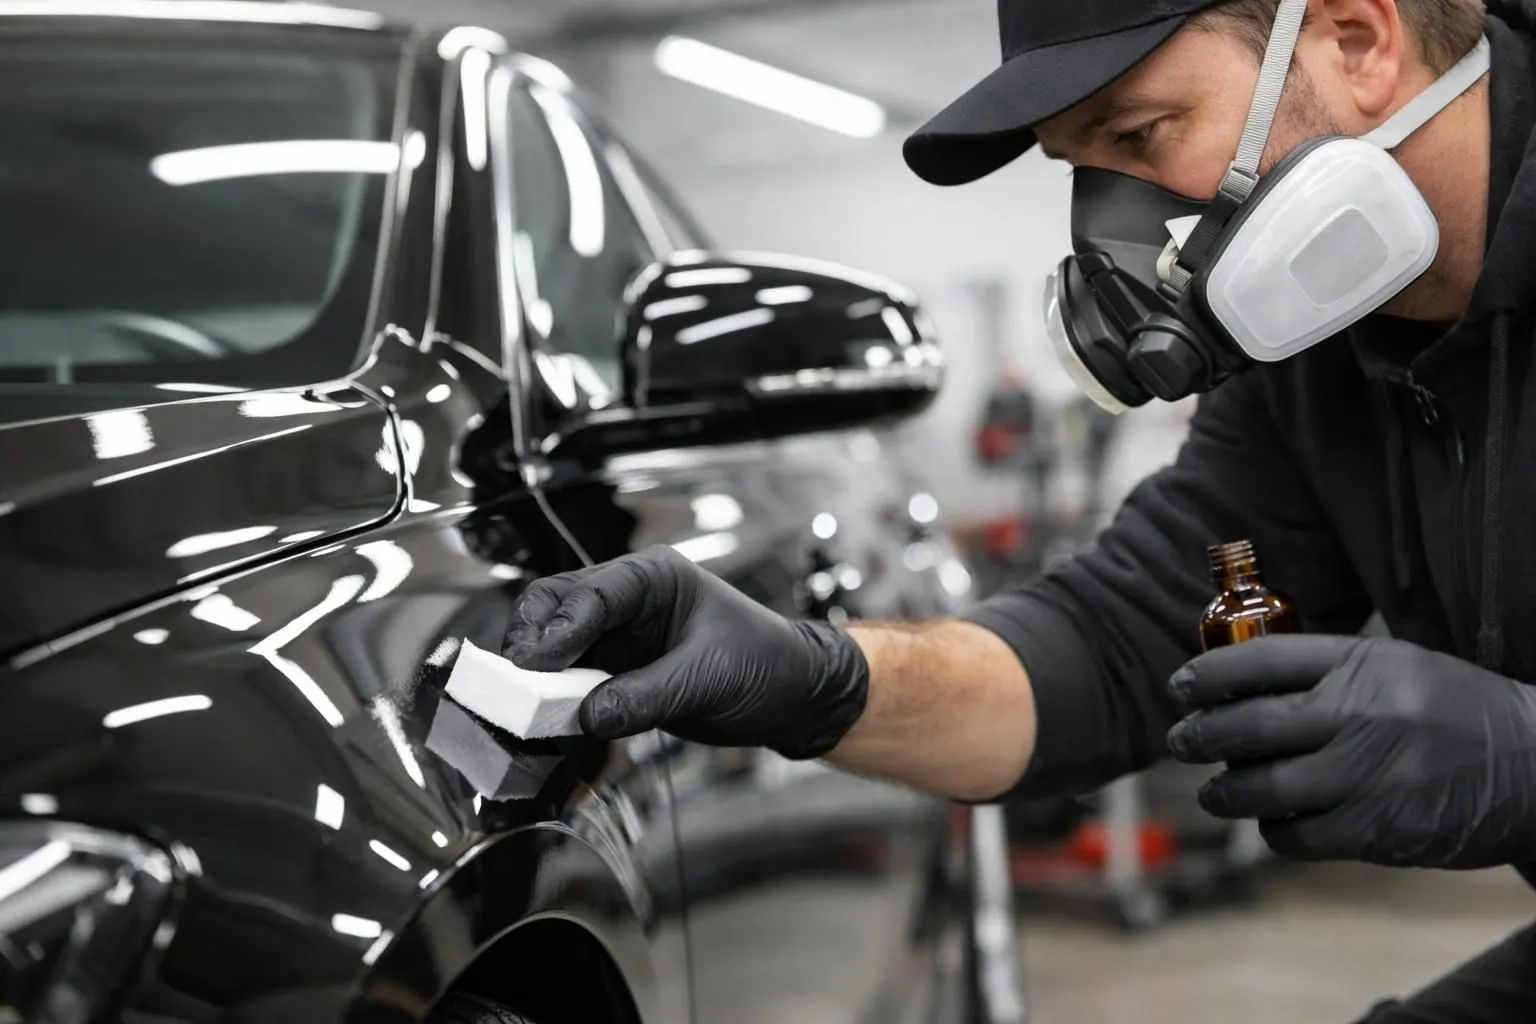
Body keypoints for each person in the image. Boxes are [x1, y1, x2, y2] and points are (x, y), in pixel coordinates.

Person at [504, 0, 1536, 1019]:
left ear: (1357, 42)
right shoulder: (1312, 367)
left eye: (1140, 135)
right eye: (1083, 169)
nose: (1116, 235)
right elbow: (1115, 650)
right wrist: (816, 676)